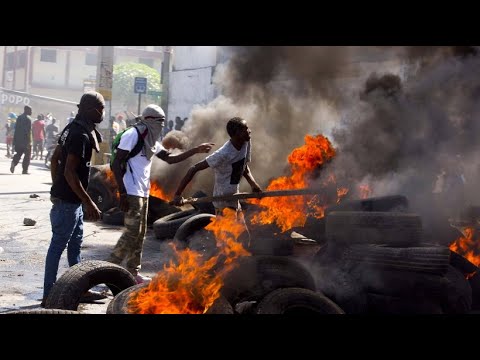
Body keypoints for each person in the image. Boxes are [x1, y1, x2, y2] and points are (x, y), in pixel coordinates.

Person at [107, 104, 214, 284]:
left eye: (163, 122)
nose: (162, 125)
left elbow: (170, 159)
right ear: (149, 120)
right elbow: (117, 163)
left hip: (142, 192)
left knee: (140, 233)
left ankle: (133, 271)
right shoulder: (132, 135)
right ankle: (108, 269)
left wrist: (195, 150)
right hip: (131, 192)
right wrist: (123, 193)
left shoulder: (150, 139)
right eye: (159, 121)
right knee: (132, 233)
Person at [41, 91, 106, 307]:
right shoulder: (80, 135)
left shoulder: (72, 128)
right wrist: (88, 201)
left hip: (71, 200)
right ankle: (49, 293)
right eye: (101, 109)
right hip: (69, 202)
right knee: (58, 245)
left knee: (75, 245)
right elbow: (69, 171)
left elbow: (54, 160)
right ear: (90, 110)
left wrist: (56, 187)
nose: (103, 113)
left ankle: (79, 287)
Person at [173, 117, 262, 245]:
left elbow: (243, 167)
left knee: (244, 239)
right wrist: (178, 194)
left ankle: (230, 261)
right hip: (223, 200)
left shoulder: (245, 142)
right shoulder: (223, 154)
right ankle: (221, 262)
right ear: (236, 133)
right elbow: (193, 169)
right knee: (229, 242)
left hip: (233, 198)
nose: (249, 131)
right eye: (245, 129)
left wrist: (254, 185)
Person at [10, 105, 33, 174]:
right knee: (27, 156)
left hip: (18, 140)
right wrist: (29, 141)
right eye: (30, 110)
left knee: (19, 153)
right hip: (26, 141)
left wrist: (14, 141)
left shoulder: (19, 118)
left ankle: (14, 162)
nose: (31, 112)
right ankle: (25, 170)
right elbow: (28, 131)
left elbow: (16, 130)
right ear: (26, 110)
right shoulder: (28, 119)